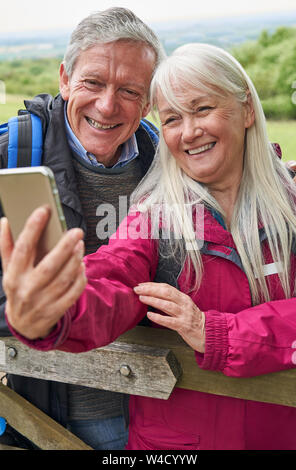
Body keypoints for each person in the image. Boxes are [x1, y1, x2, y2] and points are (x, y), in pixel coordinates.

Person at [2, 44, 296, 449]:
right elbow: (112, 277)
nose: (189, 131)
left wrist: (216, 334)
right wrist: (53, 310)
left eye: (202, 108)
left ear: (247, 110)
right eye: (173, 118)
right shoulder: (155, 216)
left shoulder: (291, 207)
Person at [0, 7, 165, 449]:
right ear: (64, 79)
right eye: (93, 82)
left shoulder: (163, 159)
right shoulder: (14, 154)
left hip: (156, 404)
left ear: (148, 101)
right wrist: (24, 307)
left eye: (129, 90)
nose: (107, 105)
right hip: (45, 410)